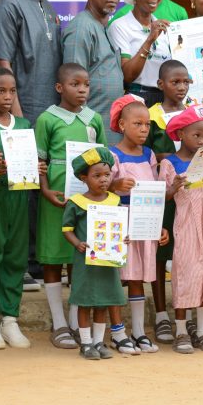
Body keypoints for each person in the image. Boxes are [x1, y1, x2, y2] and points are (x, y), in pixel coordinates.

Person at [35, 63, 107, 349]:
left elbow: (103, 160)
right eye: (75, 84)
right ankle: (59, 323)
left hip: (85, 200)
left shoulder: (94, 119)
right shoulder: (47, 119)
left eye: (86, 85)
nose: (82, 90)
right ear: (59, 88)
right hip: (55, 197)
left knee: (79, 255)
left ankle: (78, 322)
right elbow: (39, 160)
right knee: (53, 257)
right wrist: (44, 189)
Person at [0, 67, 41, 350]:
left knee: (16, 257)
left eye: (12, 91)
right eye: (0, 90)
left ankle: (10, 318)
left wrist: (37, 168)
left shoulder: (24, 125)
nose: (7, 96)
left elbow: (30, 162)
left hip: (20, 195)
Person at [159, 105, 203, 354]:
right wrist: (173, 187)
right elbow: (163, 197)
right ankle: (180, 332)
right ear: (180, 134)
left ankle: (202, 331)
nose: (201, 140)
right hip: (186, 225)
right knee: (186, 275)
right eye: (196, 135)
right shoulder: (170, 163)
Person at [109, 94, 167, 353]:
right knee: (115, 277)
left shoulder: (149, 154)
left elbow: (154, 192)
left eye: (147, 124)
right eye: (137, 124)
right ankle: (117, 331)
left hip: (144, 222)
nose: (144, 129)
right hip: (121, 223)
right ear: (122, 125)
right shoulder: (112, 155)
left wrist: (159, 225)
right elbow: (100, 189)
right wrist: (114, 185)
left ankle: (139, 331)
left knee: (137, 277)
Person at [61, 146, 127, 361]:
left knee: (102, 302)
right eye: (96, 176)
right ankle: (86, 343)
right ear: (84, 178)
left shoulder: (114, 200)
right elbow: (67, 229)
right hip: (85, 263)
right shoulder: (77, 202)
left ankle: (98, 341)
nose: (103, 180)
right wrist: (77, 243)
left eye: (107, 174)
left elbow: (120, 228)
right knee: (85, 302)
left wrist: (123, 238)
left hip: (107, 263)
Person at [146, 59, 192, 344]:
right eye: (175, 82)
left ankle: (185, 314)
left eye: (186, 81)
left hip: (189, 196)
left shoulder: (193, 114)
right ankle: (161, 314)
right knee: (160, 255)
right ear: (161, 84)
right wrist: (170, 158)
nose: (182, 87)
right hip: (161, 195)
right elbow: (146, 154)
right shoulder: (151, 117)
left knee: (185, 254)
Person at [62, 0, 125, 140]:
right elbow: (72, 86)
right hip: (88, 134)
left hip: (108, 131)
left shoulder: (104, 27)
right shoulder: (82, 27)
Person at [109, 0, 172, 106]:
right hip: (137, 101)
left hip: (166, 101)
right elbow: (127, 76)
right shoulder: (120, 26)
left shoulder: (166, 28)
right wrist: (149, 40)